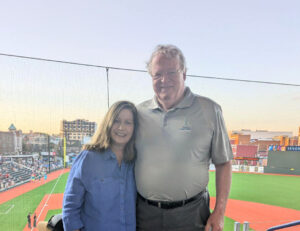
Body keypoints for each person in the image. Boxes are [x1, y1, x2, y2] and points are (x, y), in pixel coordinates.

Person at [135, 45, 233, 231]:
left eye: (172, 72)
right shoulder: (138, 113)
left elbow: (224, 163)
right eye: (158, 74)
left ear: (184, 74)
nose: (164, 80)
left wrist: (219, 212)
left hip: (192, 214)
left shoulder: (210, 110)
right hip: (144, 214)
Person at [63, 101, 138, 231]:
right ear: (107, 124)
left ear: (134, 127)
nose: (121, 127)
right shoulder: (88, 158)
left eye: (128, 122)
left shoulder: (135, 160)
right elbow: (70, 208)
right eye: (116, 121)